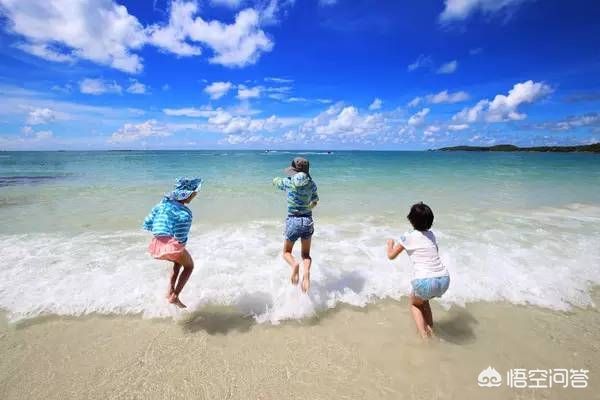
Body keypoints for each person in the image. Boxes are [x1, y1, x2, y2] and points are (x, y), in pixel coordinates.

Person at [386, 202, 450, 339]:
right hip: (444, 279)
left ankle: (424, 337)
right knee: (424, 302)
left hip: (425, 281)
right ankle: (431, 329)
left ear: (411, 219)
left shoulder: (407, 237)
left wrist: (390, 244)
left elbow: (391, 256)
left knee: (415, 304)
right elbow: (435, 251)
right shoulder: (431, 235)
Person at [143, 177, 202, 308]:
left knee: (178, 262)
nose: (194, 196)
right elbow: (181, 235)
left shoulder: (161, 205)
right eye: (193, 194)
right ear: (187, 195)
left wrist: (161, 232)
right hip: (170, 245)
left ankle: (169, 292)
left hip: (156, 244)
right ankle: (174, 296)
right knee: (189, 266)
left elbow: (147, 222)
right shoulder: (184, 213)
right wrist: (180, 245)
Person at [273, 157, 319, 293]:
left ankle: (294, 265)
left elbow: (276, 181)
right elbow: (315, 201)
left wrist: (275, 180)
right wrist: (309, 206)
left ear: (294, 171)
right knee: (306, 255)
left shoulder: (288, 182)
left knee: (286, 252)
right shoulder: (312, 184)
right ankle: (306, 273)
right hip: (307, 221)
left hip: (293, 220)